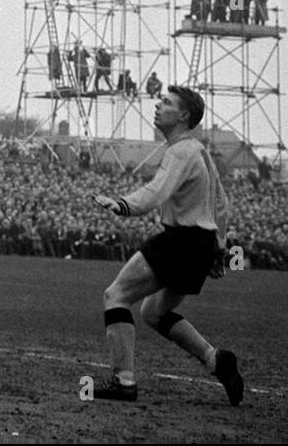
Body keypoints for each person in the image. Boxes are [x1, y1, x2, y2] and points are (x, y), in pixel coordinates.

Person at [89, 86, 243, 405]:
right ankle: (215, 359)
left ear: (184, 116)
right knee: (154, 312)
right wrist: (218, 248)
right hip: (199, 244)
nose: (158, 106)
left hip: (181, 241)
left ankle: (124, 381)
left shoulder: (181, 151)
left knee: (115, 295)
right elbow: (222, 204)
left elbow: (156, 192)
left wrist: (122, 204)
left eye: (167, 103)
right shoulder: (198, 151)